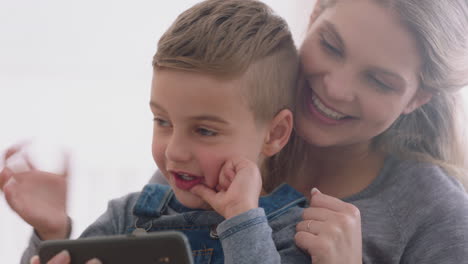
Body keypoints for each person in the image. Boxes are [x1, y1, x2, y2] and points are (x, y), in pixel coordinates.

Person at [1, 0, 311, 263]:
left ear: (274, 134)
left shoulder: (296, 233)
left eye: (204, 130)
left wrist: (242, 221)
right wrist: (52, 235)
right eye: (162, 122)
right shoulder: (127, 216)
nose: (174, 150)